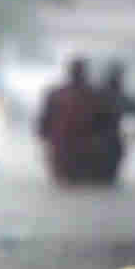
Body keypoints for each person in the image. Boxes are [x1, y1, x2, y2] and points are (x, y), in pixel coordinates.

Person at [37, 57, 119, 186]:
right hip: (67, 150)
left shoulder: (94, 96)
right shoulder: (93, 95)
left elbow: (107, 124)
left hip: (81, 150)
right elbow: (43, 124)